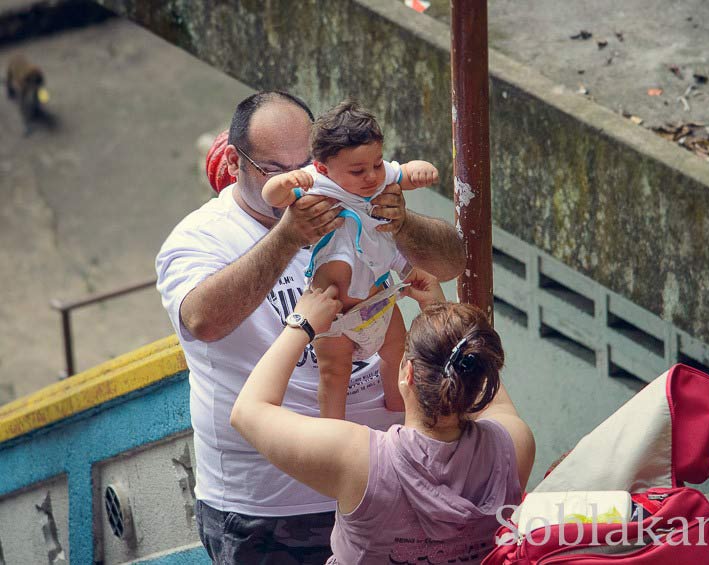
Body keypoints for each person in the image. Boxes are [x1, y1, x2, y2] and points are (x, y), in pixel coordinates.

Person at [155, 90, 465, 563]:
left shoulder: (353, 194)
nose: (302, 185)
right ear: (239, 164)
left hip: (382, 482)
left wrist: (403, 225)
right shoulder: (202, 238)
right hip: (274, 505)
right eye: (280, 173)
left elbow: (450, 262)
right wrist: (289, 236)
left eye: (309, 166)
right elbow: (203, 320)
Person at [230, 270, 536, 563]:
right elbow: (486, 391)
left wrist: (301, 323)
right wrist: (440, 311)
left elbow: (247, 411)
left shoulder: (361, 461)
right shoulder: (513, 447)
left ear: (408, 373)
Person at [262, 100, 440, 420]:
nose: (371, 176)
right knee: (334, 375)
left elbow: (405, 174)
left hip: (379, 305)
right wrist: (283, 184)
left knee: (399, 357)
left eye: (376, 163)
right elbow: (272, 197)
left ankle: (400, 411)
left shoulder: (380, 176)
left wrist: (421, 170)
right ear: (322, 167)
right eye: (358, 171)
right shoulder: (316, 183)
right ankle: (333, 429)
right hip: (335, 316)